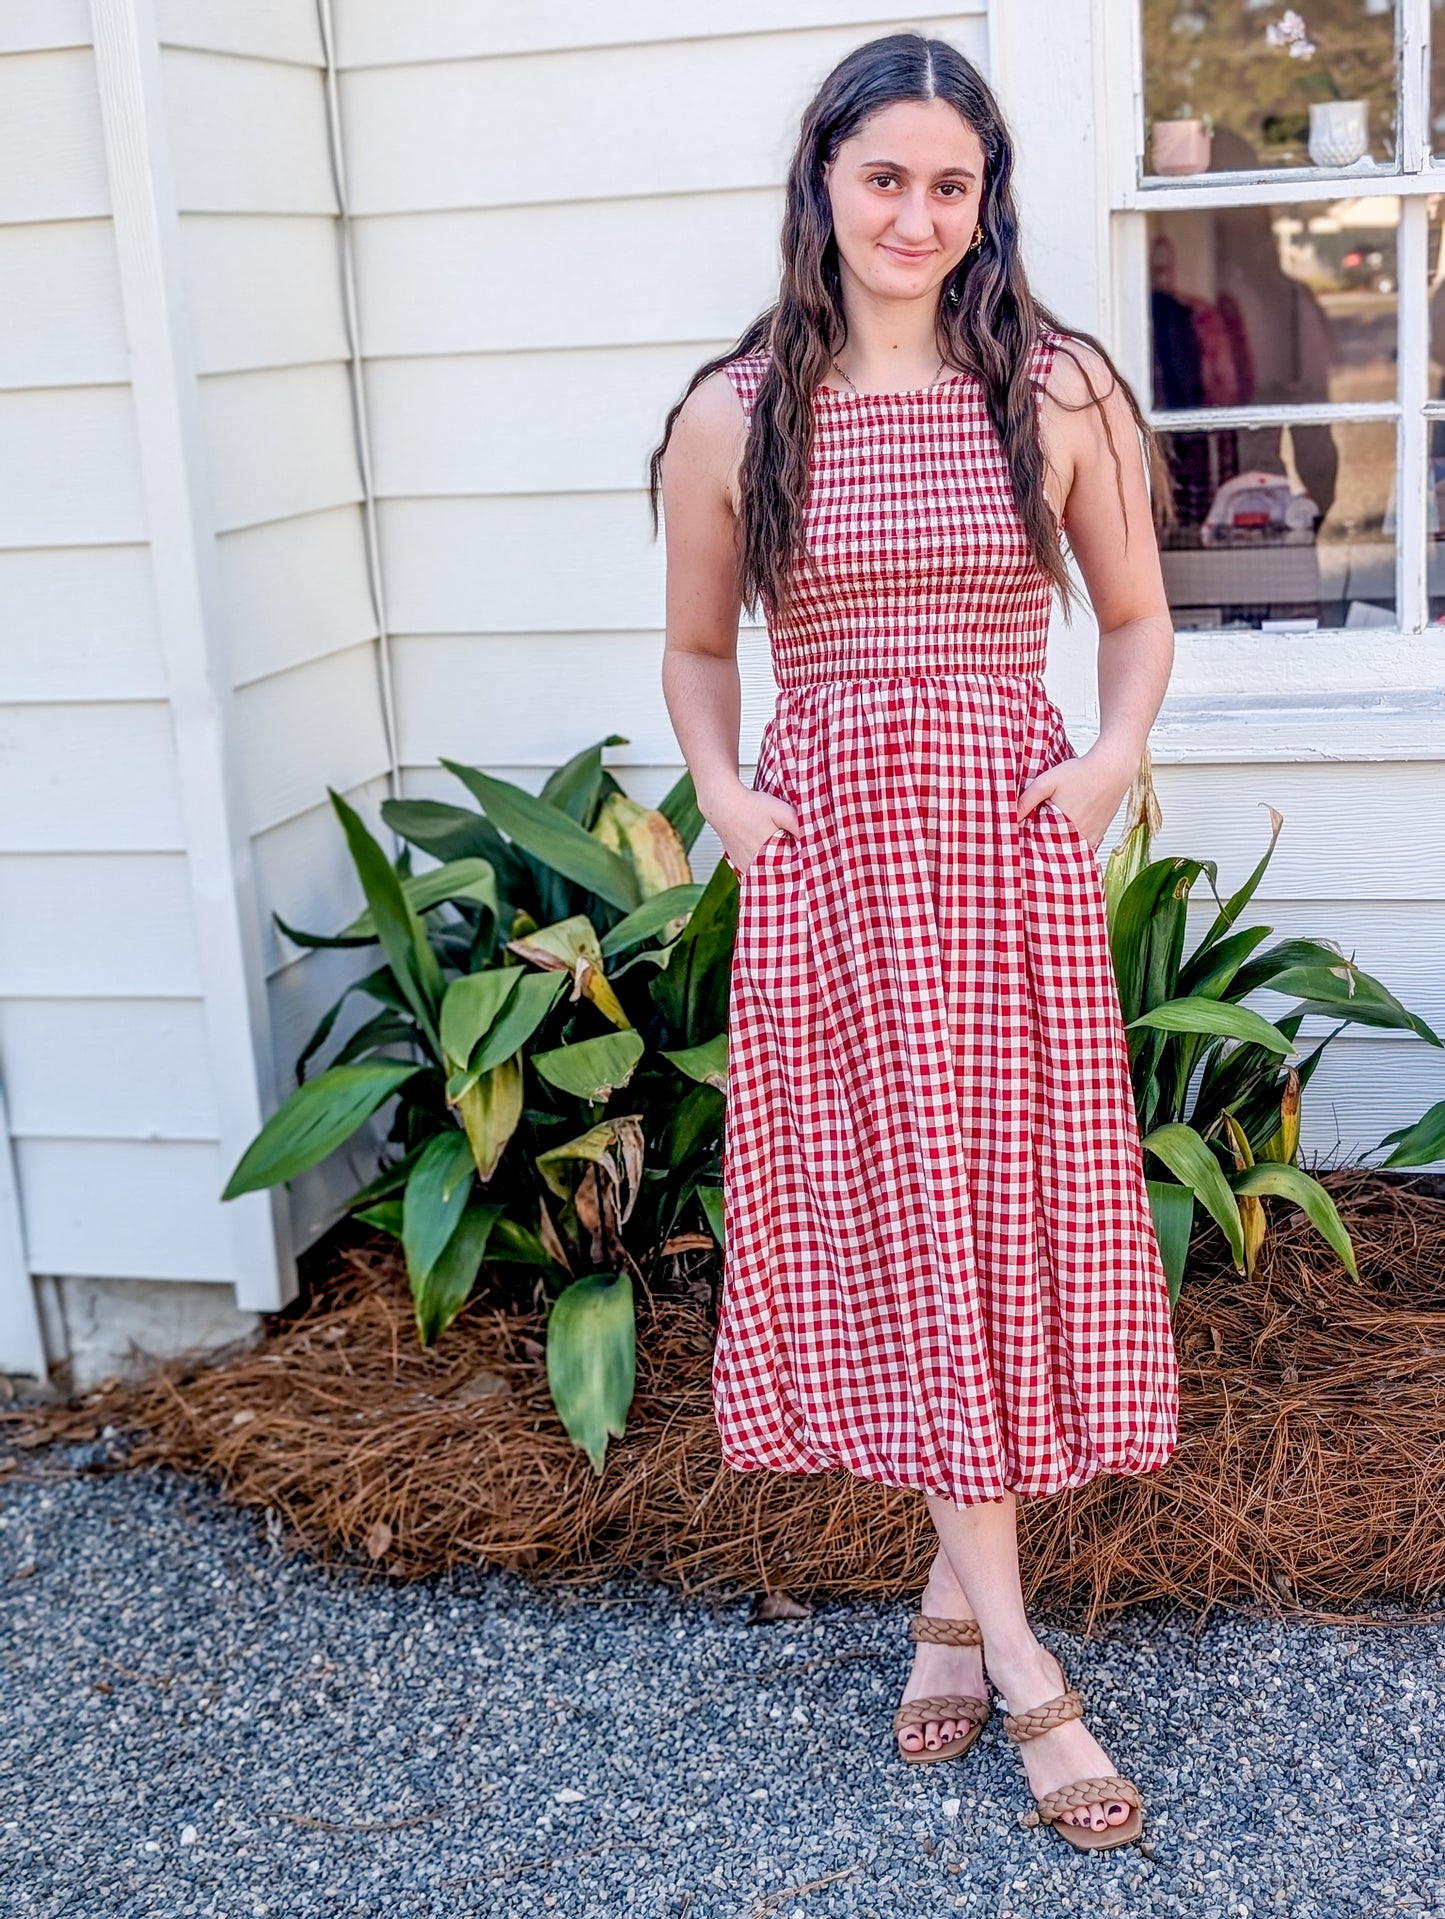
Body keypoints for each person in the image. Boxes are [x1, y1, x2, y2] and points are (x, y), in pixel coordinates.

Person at [650, 31, 1180, 1852]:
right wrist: (722, 791)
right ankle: (1026, 1660)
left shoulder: (1056, 388)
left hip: (1001, 855)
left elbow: (1130, 616)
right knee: (894, 1211)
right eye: (884, 177)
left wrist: (1108, 757)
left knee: (994, 1213)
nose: (916, 213)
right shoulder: (738, 409)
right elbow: (702, 647)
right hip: (833, 865)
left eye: (949, 184)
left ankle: (958, 1610)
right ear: (823, 183)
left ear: (985, 200)